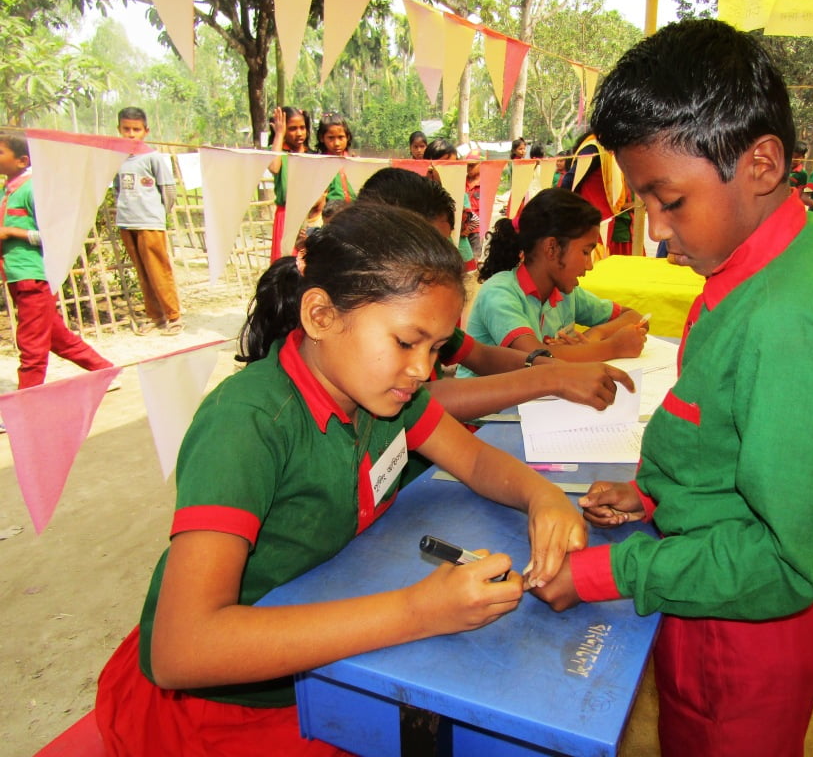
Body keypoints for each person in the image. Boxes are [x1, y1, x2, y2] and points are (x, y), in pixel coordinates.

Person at [94, 204, 586, 757]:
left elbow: (473, 461)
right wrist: (418, 612)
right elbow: (182, 649)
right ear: (321, 316)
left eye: (435, 348)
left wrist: (543, 497)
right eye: (406, 342)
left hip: (338, 656)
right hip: (232, 703)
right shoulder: (247, 426)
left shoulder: (387, 396)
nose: (423, 370)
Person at [529, 20, 813, 757]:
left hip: (744, 639)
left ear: (761, 164)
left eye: (670, 200)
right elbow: (729, 426)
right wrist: (662, 491)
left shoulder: (789, 323)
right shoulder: (776, 249)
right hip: (712, 586)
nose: (655, 230)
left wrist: (607, 570)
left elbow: (789, 560)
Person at [358, 167, 635, 424]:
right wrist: (557, 373)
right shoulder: (498, 293)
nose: (443, 264)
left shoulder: (420, 314)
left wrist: (557, 369)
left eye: (443, 248)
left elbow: (480, 355)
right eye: (425, 252)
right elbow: (426, 400)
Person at [464, 187, 648, 366]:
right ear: (551, 248)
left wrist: (596, 335)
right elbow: (534, 358)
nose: (589, 265)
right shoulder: (500, 292)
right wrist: (613, 347)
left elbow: (636, 317)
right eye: (585, 252)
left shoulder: (566, 294)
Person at [0, 132, 113, 389]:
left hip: (34, 276)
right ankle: (105, 370)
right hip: (15, 275)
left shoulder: (33, 191)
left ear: (22, 160)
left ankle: (27, 399)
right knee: (55, 336)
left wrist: (13, 232)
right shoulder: (6, 191)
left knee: (31, 344)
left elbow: (55, 235)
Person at [113, 107, 183, 336]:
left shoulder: (153, 157)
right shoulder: (118, 158)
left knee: (158, 270)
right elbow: (117, 188)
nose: (131, 134)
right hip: (127, 221)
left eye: (136, 129)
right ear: (119, 129)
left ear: (146, 131)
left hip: (150, 221)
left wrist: (160, 214)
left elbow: (168, 189)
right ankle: (155, 316)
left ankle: (173, 316)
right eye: (126, 129)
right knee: (142, 272)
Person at [423, 139, 476, 273]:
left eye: (454, 165)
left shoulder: (459, 192)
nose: (451, 170)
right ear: (429, 166)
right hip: (432, 259)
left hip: (461, 255)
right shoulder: (419, 193)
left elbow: (464, 226)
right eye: (445, 165)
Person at [267, 105, 312, 261]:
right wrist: (279, 134)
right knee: (286, 263)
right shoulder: (279, 153)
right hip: (286, 215)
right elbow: (274, 167)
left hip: (309, 215)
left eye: (302, 128)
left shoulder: (312, 155)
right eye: (292, 129)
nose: (299, 133)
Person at [315, 111, 357, 204]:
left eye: (341, 137)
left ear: (347, 137)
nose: (337, 143)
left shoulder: (353, 161)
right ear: (322, 138)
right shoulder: (319, 164)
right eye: (331, 138)